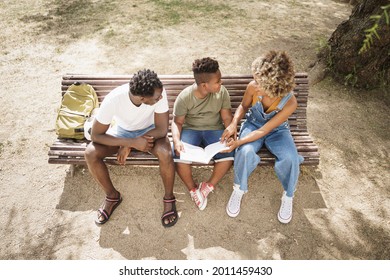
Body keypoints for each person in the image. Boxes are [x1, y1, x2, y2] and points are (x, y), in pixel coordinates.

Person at [84, 69, 178, 228]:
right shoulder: (114, 99)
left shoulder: (158, 92)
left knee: (166, 152)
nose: (161, 98)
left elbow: (162, 129)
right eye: (156, 98)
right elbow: (96, 135)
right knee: (91, 153)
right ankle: (112, 196)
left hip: (151, 131)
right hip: (122, 132)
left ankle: (169, 198)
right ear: (142, 98)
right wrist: (129, 142)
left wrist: (134, 142)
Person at [221, 50, 304, 223]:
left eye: (260, 82)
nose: (254, 84)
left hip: (277, 130)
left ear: (273, 87)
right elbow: (243, 107)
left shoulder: (290, 102)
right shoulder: (253, 87)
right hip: (253, 124)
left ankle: (288, 196)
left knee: (290, 158)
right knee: (245, 153)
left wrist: (238, 142)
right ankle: (239, 188)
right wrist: (234, 123)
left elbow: (264, 131)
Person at [171, 57, 234, 210]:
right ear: (205, 85)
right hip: (191, 130)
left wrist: (231, 135)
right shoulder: (185, 97)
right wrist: (177, 140)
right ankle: (193, 189)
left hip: (215, 129)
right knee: (179, 155)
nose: (221, 83)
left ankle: (207, 187)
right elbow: (177, 122)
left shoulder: (222, 92)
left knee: (229, 154)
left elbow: (226, 117)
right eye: (218, 81)